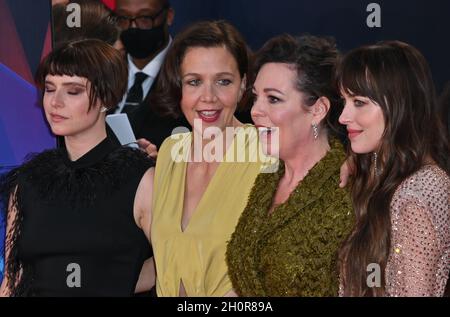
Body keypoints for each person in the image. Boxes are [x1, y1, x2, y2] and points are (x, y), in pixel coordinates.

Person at [0, 39, 155, 296]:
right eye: (50, 89)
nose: (55, 102)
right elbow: (13, 279)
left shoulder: (139, 178)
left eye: (73, 91)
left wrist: (111, 283)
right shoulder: (29, 180)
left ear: (107, 97)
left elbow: (172, 265)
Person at [148, 20, 272, 297]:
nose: (208, 97)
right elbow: (166, 259)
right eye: (194, 82)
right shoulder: (170, 151)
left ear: (243, 86)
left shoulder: (268, 151)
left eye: (223, 81)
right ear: (179, 88)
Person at [225, 34, 354, 297]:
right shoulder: (268, 176)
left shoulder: (348, 192)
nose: (255, 111)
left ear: (318, 110)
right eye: (255, 96)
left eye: (273, 99)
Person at [337, 41, 450, 297]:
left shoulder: (420, 191)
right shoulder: (382, 173)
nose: (343, 116)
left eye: (359, 102)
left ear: (400, 105)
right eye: (344, 100)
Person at [111, 0, 188, 149]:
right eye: (123, 18)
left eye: (145, 18)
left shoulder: (188, 75)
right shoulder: (101, 71)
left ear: (169, 16)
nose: (133, 27)